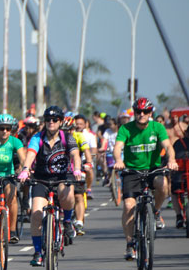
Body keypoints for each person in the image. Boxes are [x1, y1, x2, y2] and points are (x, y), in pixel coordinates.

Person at [113, 98, 178, 260]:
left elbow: (168, 146)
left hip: (153, 169)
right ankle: (130, 244)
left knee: (162, 184)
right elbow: (118, 147)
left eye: (145, 112)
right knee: (129, 205)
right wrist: (119, 161)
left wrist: (171, 160)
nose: (141, 115)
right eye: (138, 112)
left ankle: (155, 211)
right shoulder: (126, 128)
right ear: (134, 113)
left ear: (150, 113)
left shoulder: (157, 127)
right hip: (132, 171)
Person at [18, 106, 82, 266]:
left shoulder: (68, 137)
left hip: (62, 177)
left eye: (54, 120)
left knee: (67, 194)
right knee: (36, 214)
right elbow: (31, 153)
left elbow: (75, 154)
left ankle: (67, 221)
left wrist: (77, 169)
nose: (51, 123)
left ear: (60, 122)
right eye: (48, 120)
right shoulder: (37, 137)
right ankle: (38, 251)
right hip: (41, 178)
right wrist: (26, 169)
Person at [0, 113, 26, 245]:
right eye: (2, 128)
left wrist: (24, 170)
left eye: (8, 128)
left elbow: (23, 159)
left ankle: (12, 231)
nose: (5, 131)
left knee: (11, 198)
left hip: (8, 176)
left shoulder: (15, 141)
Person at [74, 114, 98, 201]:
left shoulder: (90, 136)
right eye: (77, 123)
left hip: (85, 159)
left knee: (89, 170)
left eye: (81, 124)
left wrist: (90, 160)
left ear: (85, 125)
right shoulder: (70, 134)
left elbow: (93, 149)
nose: (78, 126)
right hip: (73, 161)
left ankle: (88, 188)